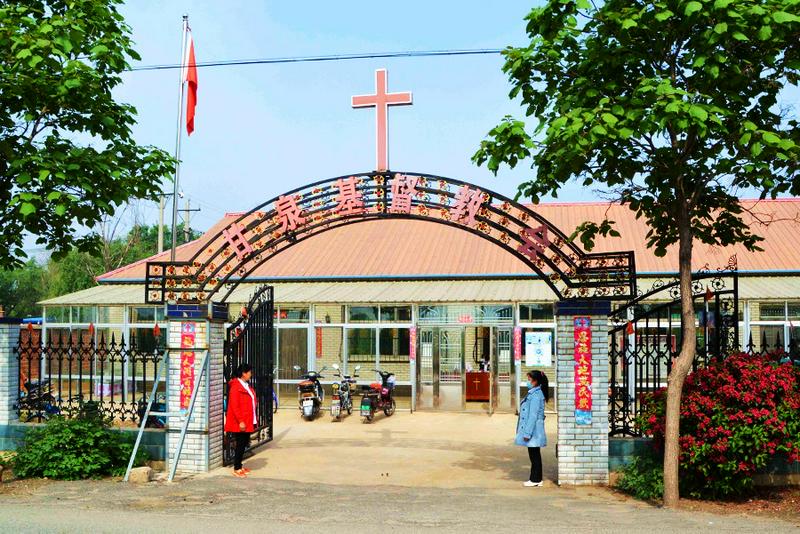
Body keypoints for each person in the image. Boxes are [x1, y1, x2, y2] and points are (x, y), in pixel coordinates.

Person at [515, 370, 549, 487]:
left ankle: (535, 479)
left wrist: (527, 433)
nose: (528, 382)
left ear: (536, 381)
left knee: (534, 455)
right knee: (535, 454)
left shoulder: (535, 395)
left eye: (529, 380)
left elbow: (532, 416)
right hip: (535, 429)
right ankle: (536, 479)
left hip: (534, 430)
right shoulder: (535, 393)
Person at [224, 363, 257, 478]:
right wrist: (241, 421)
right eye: (249, 372)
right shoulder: (236, 387)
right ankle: (236, 467)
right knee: (240, 444)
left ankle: (240, 465)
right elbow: (234, 406)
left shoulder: (245, 385)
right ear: (244, 373)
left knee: (244, 443)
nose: (251, 374)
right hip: (241, 421)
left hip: (247, 419)